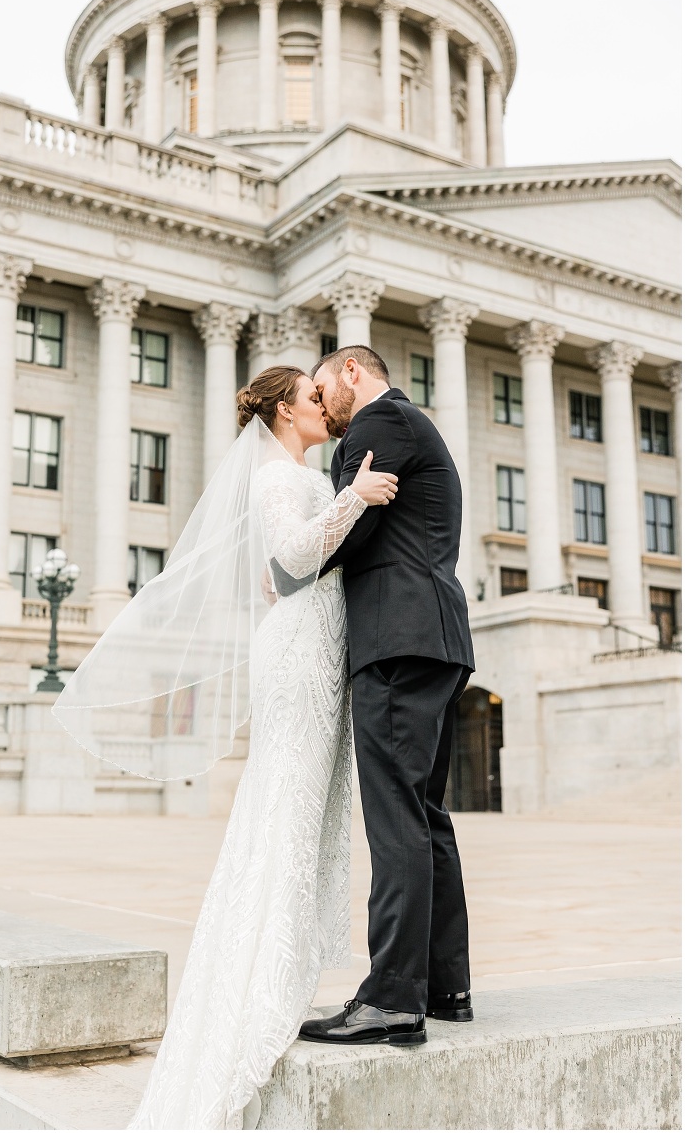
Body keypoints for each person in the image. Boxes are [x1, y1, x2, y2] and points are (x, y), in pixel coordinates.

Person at [55, 365, 398, 1130]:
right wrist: (355, 497)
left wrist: (338, 506)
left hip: (318, 645)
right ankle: (261, 988)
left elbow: (285, 566)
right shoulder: (279, 477)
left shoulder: (300, 473)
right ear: (283, 411)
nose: (325, 406)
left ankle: (277, 972)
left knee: (303, 812)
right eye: (313, 398)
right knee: (284, 810)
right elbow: (297, 554)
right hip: (299, 655)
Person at [296, 345, 476, 1048]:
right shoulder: (411, 423)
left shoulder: (379, 422)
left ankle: (392, 999)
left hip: (398, 640)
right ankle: (445, 987)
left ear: (351, 372)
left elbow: (349, 530)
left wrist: (286, 567)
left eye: (322, 388)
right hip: (433, 638)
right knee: (425, 816)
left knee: (396, 817)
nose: (322, 405)